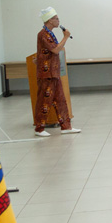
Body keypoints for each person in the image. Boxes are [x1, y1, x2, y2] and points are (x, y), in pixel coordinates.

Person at [34, 7, 79, 137]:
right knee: (44, 101)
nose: (58, 20)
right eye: (56, 18)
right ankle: (39, 128)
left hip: (54, 72)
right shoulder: (43, 34)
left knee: (60, 99)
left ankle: (66, 126)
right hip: (46, 74)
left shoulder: (50, 34)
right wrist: (65, 37)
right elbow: (55, 50)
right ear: (49, 20)